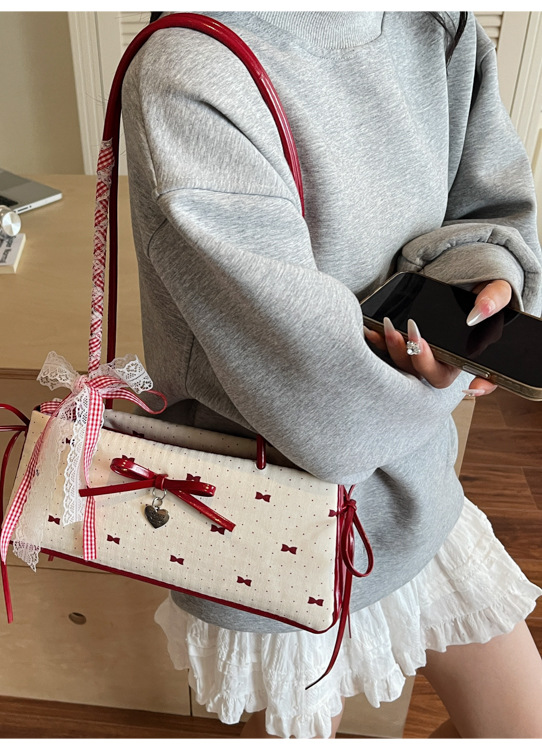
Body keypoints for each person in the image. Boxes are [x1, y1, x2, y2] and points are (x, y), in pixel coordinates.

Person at [120, 11, 542, 739]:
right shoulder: (193, 69)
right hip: (263, 526)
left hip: (417, 494)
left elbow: (486, 213)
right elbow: (331, 424)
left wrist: (481, 284)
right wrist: (442, 377)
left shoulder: (436, 25)